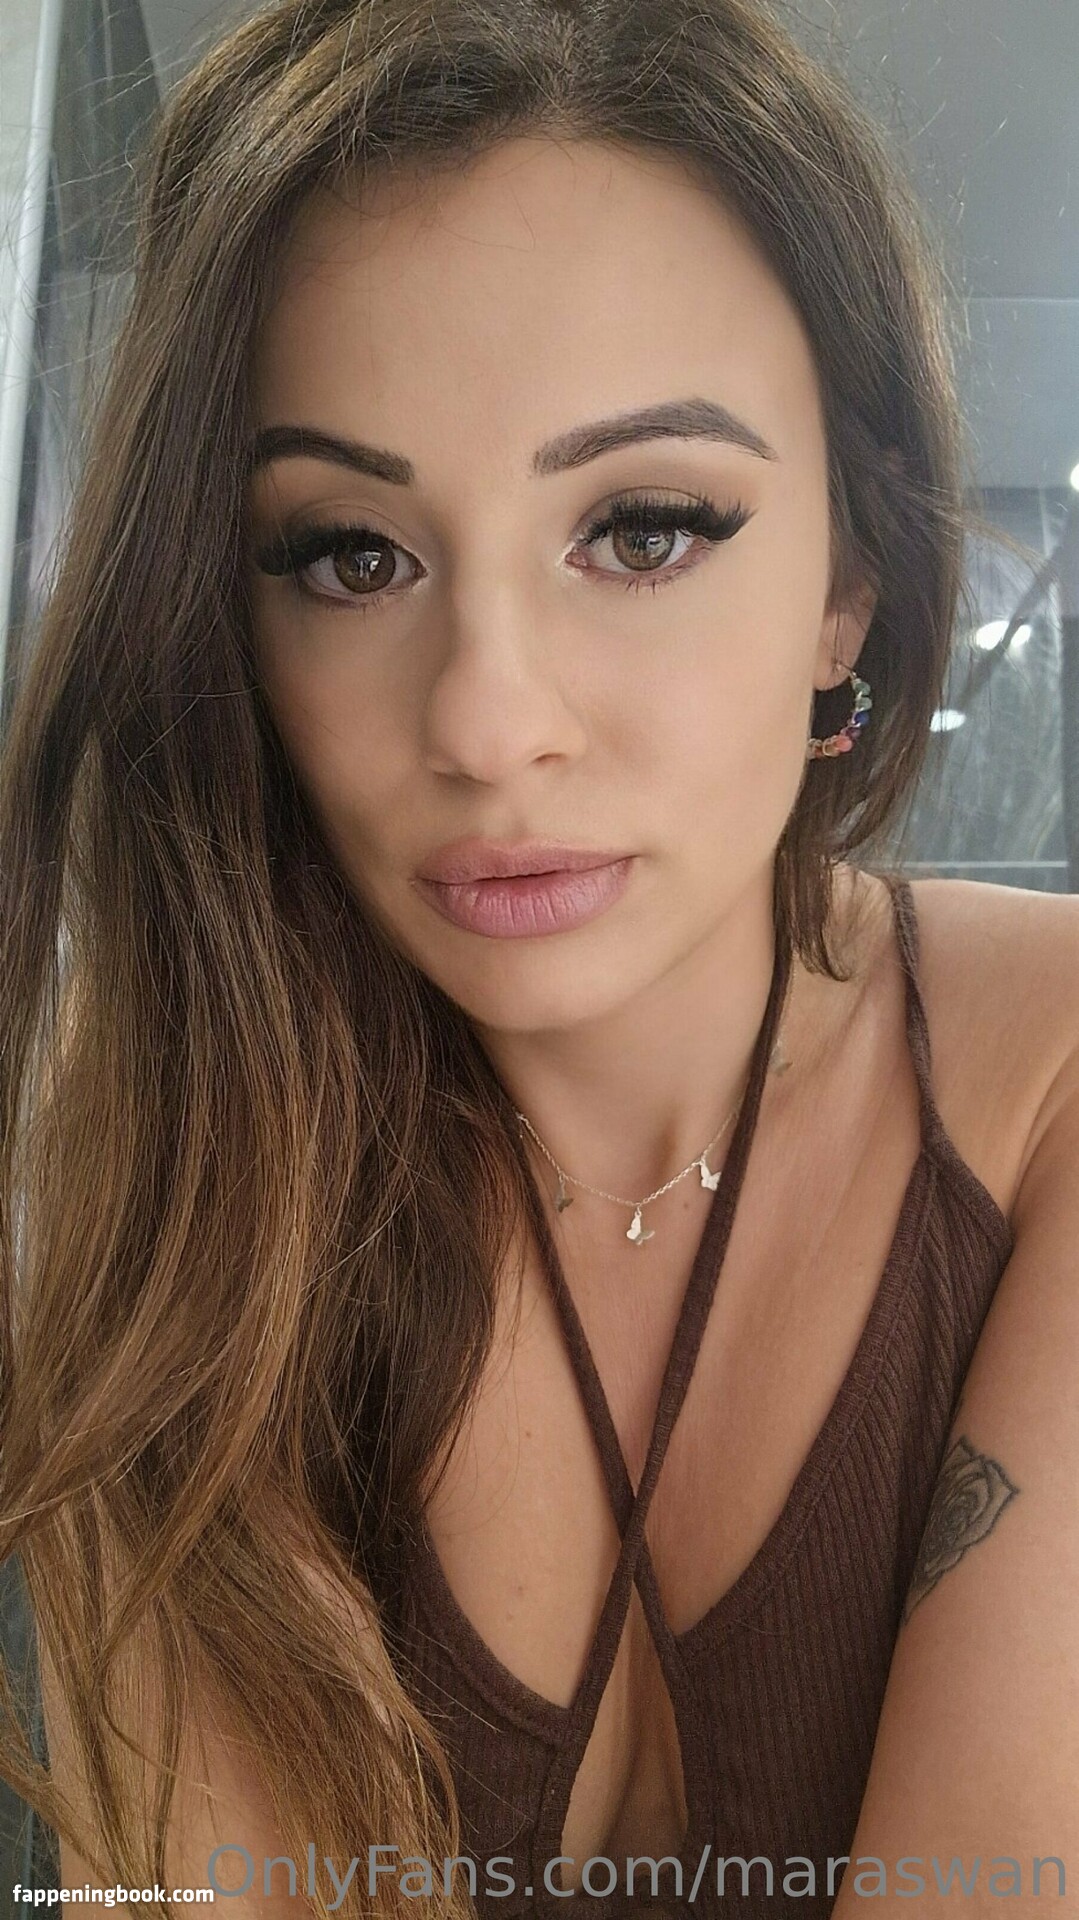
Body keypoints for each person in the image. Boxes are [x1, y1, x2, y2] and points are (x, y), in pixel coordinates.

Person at [1, 0, 1077, 1915]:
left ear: (849, 585)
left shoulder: (1050, 1075)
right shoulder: (175, 1133)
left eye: (643, 530)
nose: (488, 725)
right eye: (351, 555)